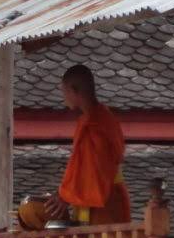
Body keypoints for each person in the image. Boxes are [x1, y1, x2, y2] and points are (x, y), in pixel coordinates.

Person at [24, 65, 131, 228]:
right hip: (95, 195)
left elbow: (96, 168)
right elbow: (82, 166)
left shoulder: (98, 122)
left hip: (107, 200)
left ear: (74, 90)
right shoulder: (92, 119)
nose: (64, 98)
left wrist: (65, 195)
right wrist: (64, 193)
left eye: (64, 92)